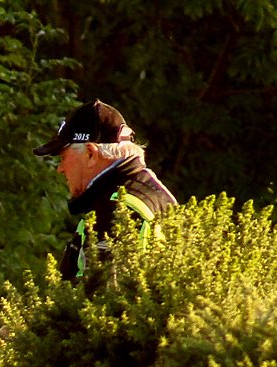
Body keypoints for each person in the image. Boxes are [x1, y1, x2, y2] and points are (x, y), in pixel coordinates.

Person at [35, 99, 177, 282]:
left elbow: (103, 302)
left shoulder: (117, 210)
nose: (60, 168)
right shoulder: (151, 191)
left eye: (63, 157)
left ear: (91, 154)